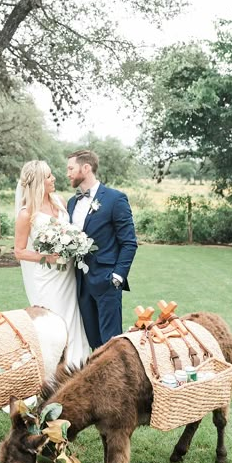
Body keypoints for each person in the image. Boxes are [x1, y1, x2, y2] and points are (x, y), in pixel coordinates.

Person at [14, 160, 91, 366]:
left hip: (67, 274)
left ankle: (77, 366)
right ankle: (53, 369)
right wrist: (46, 257)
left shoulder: (60, 201)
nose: (54, 178)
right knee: (53, 322)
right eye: (49, 176)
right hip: (48, 277)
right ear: (39, 181)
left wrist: (74, 244)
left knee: (73, 318)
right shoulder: (26, 212)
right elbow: (19, 251)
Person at [67, 149, 137, 349]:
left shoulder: (115, 199)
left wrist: (118, 276)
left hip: (107, 281)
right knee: (93, 342)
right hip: (80, 282)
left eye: (71, 168)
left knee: (111, 344)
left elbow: (129, 242)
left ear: (86, 168)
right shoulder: (72, 203)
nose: (68, 173)